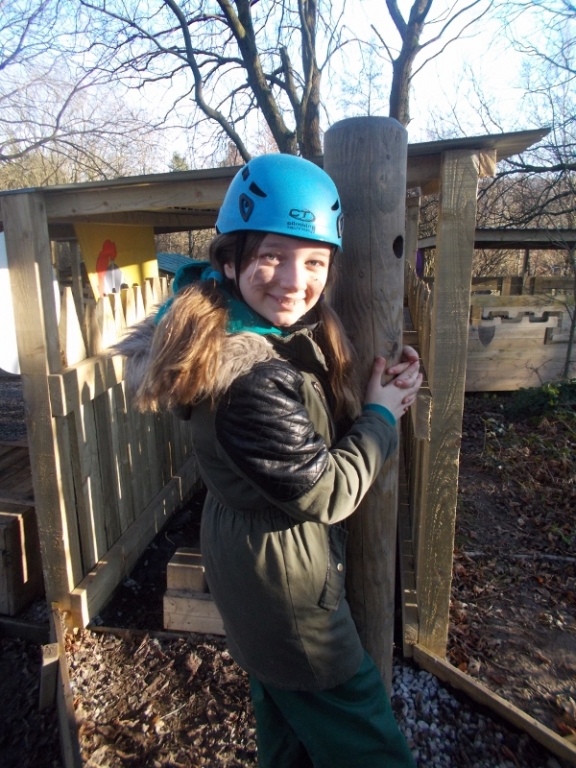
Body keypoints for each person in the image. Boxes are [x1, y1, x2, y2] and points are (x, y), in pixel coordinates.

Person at [120, 154, 422, 768]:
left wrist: (377, 386)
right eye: (272, 256)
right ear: (231, 260)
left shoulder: (252, 327)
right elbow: (327, 490)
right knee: (369, 741)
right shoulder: (244, 378)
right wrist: (382, 414)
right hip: (289, 597)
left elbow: (304, 415)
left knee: (287, 735)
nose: (293, 280)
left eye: (314, 262)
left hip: (259, 572)